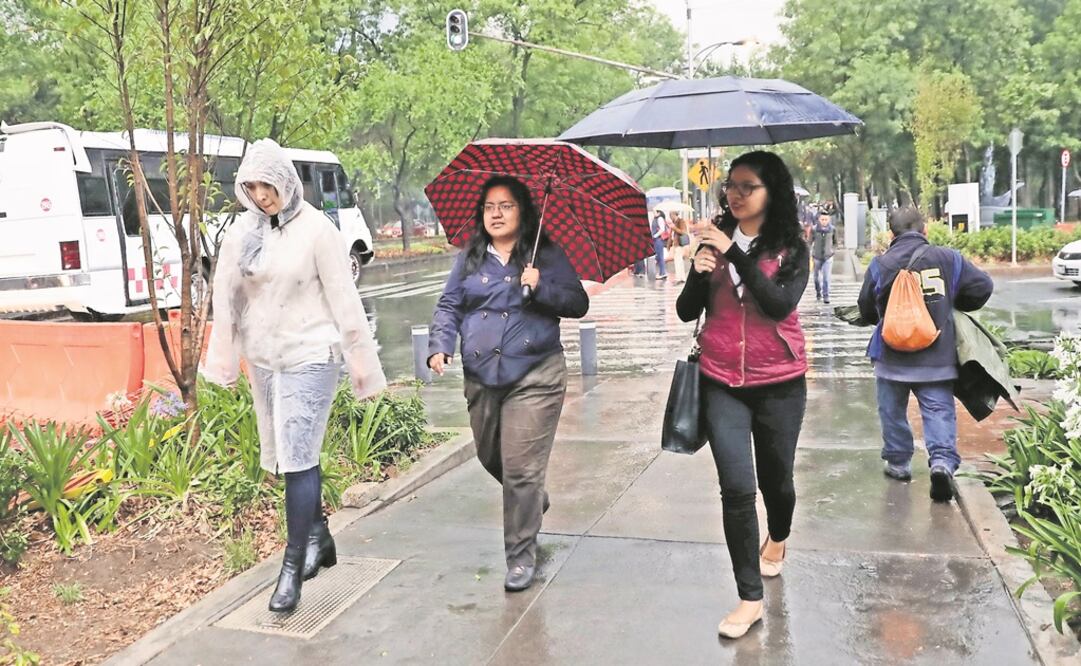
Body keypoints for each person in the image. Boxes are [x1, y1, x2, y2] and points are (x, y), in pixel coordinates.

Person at [203, 139, 387, 613]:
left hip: (312, 352)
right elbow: (224, 299)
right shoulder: (242, 232)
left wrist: (364, 369)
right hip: (264, 357)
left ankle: (291, 566)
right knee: (285, 452)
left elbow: (345, 300)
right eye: (253, 187)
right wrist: (223, 360)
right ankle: (321, 537)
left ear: (287, 182)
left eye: (269, 185)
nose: (262, 195)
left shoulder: (317, 231)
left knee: (298, 455)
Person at [427, 175, 589, 592]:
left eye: (506, 206)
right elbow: (449, 305)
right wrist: (440, 345)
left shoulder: (545, 254)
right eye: (489, 207)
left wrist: (541, 287)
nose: (496, 214)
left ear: (524, 211)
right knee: (490, 457)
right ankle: (532, 497)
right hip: (482, 378)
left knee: (519, 469)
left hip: (535, 374)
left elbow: (578, 303)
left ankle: (520, 556)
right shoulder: (470, 257)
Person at [675, 151, 810, 639]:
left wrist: (732, 252)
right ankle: (749, 598)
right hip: (721, 381)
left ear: (771, 191)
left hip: (780, 384)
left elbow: (777, 304)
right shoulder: (712, 240)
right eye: (731, 185)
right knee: (736, 488)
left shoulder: (792, 245)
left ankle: (779, 535)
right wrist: (698, 268)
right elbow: (686, 310)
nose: (735, 193)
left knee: (779, 485)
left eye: (747, 186)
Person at [857, 207, 993, 501]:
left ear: (891, 234)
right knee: (938, 411)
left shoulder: (881, 264)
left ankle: (898, 463)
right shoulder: (948, 258)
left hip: (891, 358)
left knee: (891, 411)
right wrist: (951, 305)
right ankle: (942, 463)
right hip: (937, 358)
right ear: (925, 230)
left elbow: (866, 309)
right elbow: (983, 287)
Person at [811, 210, 836, 303]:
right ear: (819, 219)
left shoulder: (832, 229)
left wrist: (833, 250)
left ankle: (826, 296)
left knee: (826, 277)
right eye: (822, 219)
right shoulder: (814, 229)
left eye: (826, 219)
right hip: (817, 257)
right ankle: (818, 292)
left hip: (828, 257)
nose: (824, 221)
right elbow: (810, 241)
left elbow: (835, 242)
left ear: (829, 219)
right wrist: (811, 252)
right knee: (816, 278)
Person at [668, 211, 691, 283]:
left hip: (679, 244)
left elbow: (683, 232)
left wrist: (674, 228)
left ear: (675, 215)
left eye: (671, 215)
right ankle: (681, 277)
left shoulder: (680, 221)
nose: (670, 217)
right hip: (675, 244)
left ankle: (679, 277)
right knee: (678, 261)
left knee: (678, 261)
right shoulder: (674, 223)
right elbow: (671, 235)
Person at [651, 208, 668, 280]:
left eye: (655, 212)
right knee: (658, 256)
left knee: (660, 256)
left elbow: (662, 229)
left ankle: (663, 272)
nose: (653, 213)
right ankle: (662, 272)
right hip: (656, 240)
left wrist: (655, 236)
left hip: (658, 239)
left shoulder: (660, 219)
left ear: (659, 213)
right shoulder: (655, 219)